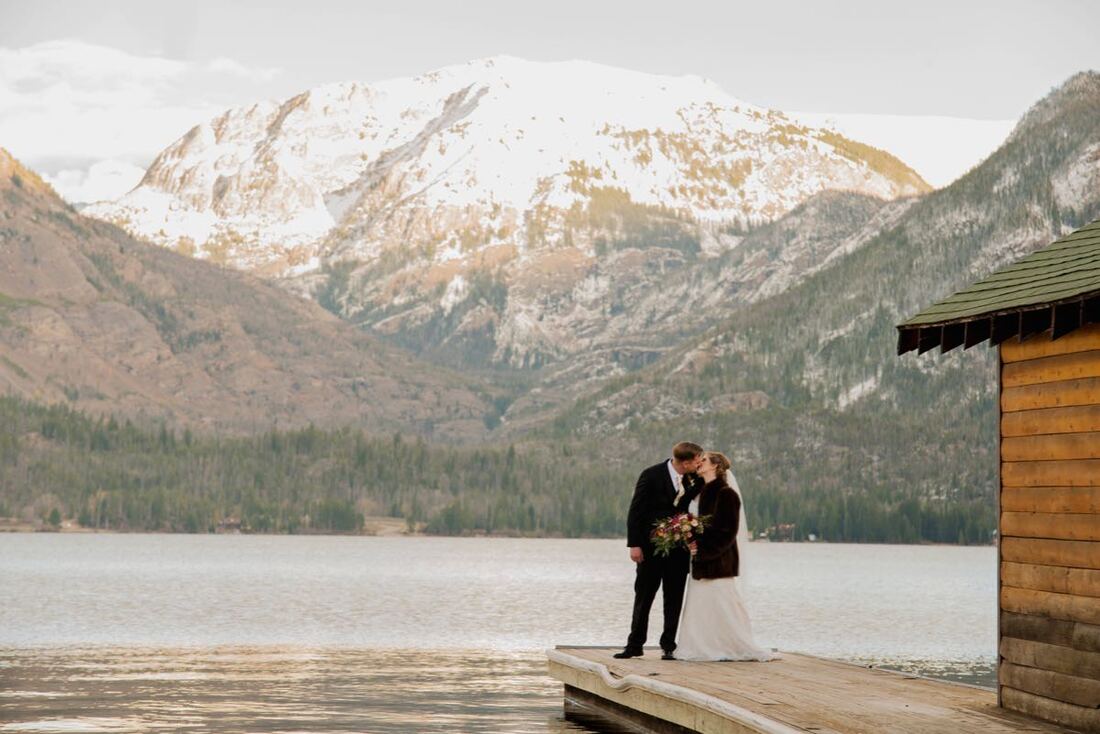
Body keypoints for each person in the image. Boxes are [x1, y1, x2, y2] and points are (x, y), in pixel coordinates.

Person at [674, 451, 775, 662]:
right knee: (701, 604)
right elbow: (687, 516)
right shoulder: (698, 491)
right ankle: (701, 646)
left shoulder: (726, 494)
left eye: (704, 460)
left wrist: (701, 551)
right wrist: (686, 535)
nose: (699, 463)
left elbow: (727, 532)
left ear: (716, 466)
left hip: (717, 561)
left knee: (724, 605)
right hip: (699, 558)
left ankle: (732, 645)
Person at [614, 441, 704, 660]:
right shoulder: (651, 475)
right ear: (685, 462)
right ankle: (634, 644)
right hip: (650, 549)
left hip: (679, 552)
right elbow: (635, 511)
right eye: (697, 461)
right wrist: (634, 545)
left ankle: (669, 646)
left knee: (674, 599)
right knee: (644, 597)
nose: (699, 464)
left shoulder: (696, 480)